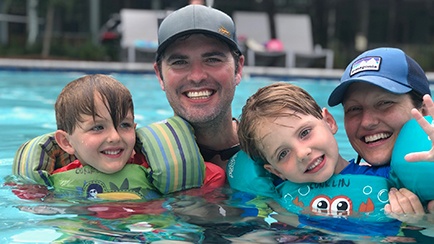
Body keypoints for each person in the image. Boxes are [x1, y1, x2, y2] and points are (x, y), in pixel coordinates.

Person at [327, 47, 434, 214]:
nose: (367, 122)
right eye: (354, 108)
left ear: (424, 111)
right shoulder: (339, 178)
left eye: (385, 103)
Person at [237, 82, 390, 186]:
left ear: (329, 122)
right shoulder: (277, 199)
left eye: (305, 133)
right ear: (276, 171)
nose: (302, 153)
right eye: (283, 154)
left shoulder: (385, 180)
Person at [153, 4, 244, 170]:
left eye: (213, 60)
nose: (197, 76)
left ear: (238, 69)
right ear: (160, 75)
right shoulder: (137, 160)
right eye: (180, 62)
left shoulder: (273, 152)